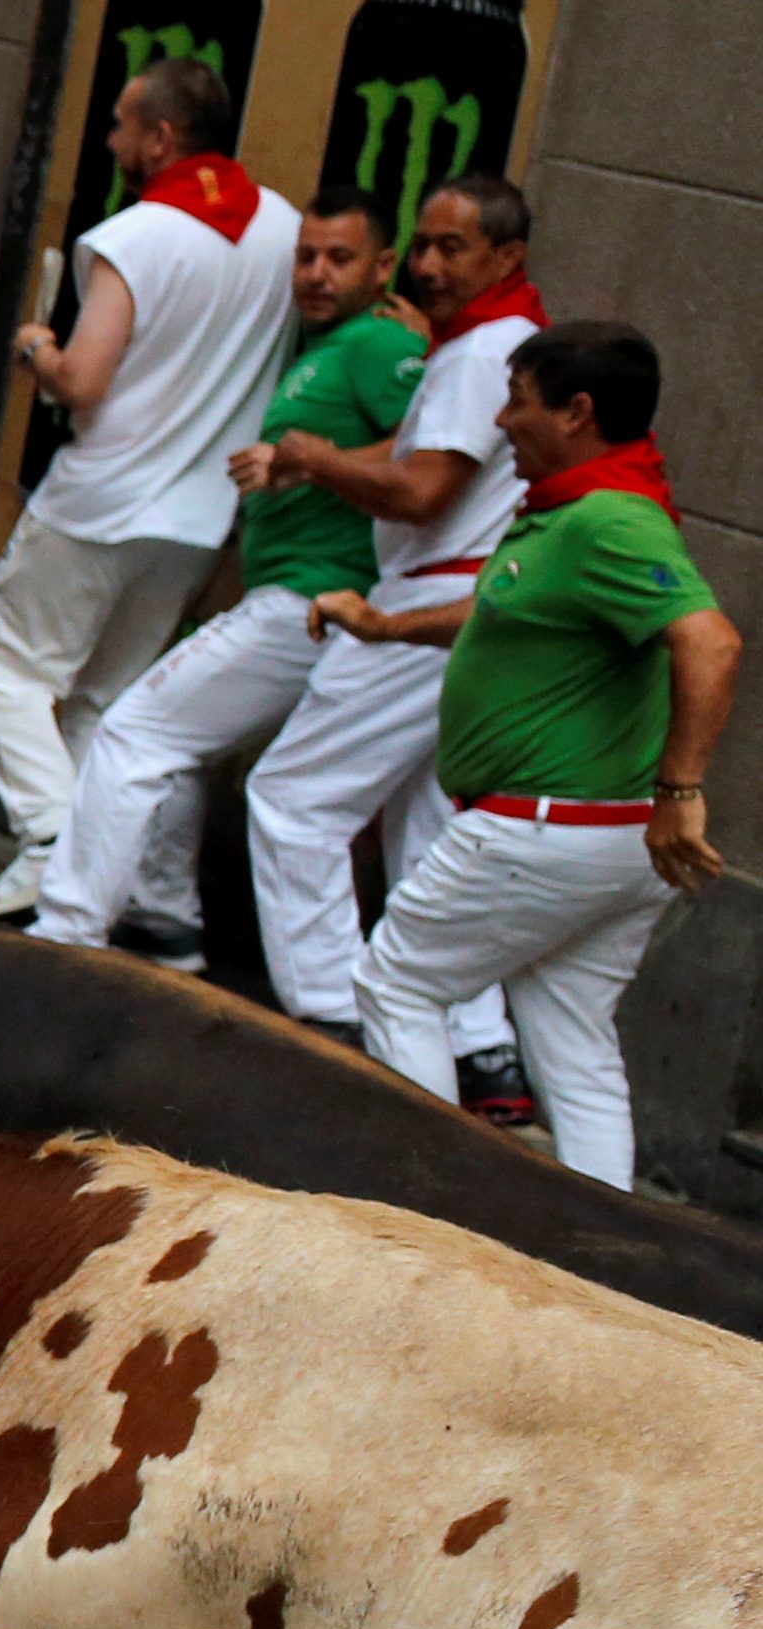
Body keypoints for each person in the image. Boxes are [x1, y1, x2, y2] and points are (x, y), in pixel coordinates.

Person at [329, 322, 733, 1185]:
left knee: (396, 983)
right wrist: (388, 624)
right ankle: (602, 1251)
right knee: (572, 1035)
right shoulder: (575, 515)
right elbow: (500, 614)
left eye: (519, 400)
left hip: (547, 834)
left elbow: (711, 642)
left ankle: (423, 1210)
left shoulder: (610, 522)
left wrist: (681, 792)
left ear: (577, 412)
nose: (504, 421)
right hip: (600, 843)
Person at [28, 190, 422, 967]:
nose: (315, 273)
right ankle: (168, 920)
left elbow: (437, 451)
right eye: (305, 256)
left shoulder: (378, 347)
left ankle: (63, 937)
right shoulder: (321, 346)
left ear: (383, 268)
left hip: (320, 600)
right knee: (176, 746)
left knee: (134, 733)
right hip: (292, 596)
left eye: (339, 258)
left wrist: (307, 459)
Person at [0, 60, 297, 917]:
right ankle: (102, 884)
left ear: (162, 137)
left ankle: (46, 839)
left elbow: (83, 382)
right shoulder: (286, 230)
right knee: (106, 702)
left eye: (119, 123)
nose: (110, 141)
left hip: (101, 497)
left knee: (8, 665)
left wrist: (38, 348)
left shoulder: (134, 236)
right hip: (199, 515)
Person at [244, 172, 544, 1037]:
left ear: (508, 256)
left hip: (433, 596)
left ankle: (330, 1020)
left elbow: (421, 489)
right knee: (425, 827)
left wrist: (310, 453)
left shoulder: (486, 349)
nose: (430, 264)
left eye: (454, 247)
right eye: (423, 244)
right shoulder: (492, 341)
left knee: (293, 796)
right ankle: (470, 1042)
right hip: (466, 599)